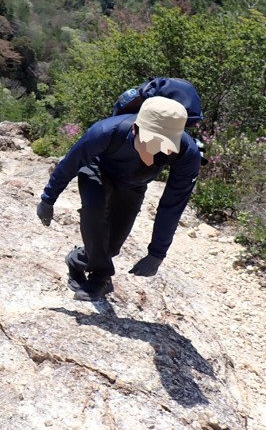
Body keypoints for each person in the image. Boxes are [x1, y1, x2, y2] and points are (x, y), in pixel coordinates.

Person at [36, 97, 202, 301]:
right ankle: (100, 277)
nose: (156, 150)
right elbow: (72, 162)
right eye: (151, 141)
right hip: (97, 170)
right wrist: (48, 199)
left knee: (111, 246)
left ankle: (77, 260)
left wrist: (157, 253)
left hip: (134, 183)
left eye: (165, 145)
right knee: (94, 209)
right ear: (135, 130)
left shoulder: (187, 155)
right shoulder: (106, 132)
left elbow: (172, 206)